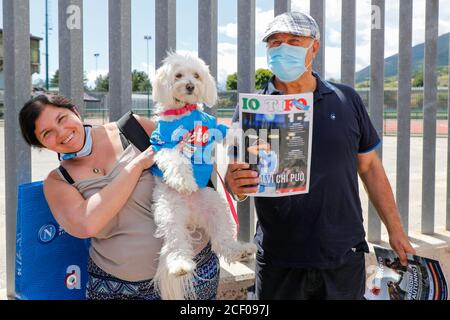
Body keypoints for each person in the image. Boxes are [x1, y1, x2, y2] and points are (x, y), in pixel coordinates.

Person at [225, 11, 416, 300]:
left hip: (342, 255)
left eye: (293, 40)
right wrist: (234, 185)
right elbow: (239, 182)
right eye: (275, 42)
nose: (282, 48)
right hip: (280, 260)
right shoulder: (254, 109)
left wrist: (396, 230)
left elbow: (370, 167)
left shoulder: (347, 99)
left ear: (314, 47)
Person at [19, 94, 220, 300]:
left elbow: (197, 170)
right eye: (47, 133)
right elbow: (87, 224)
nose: (61, 132)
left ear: (75, 111)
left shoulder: (134, 128)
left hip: (192, 272)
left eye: (61, 118)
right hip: (118, 289)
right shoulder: (58, 181)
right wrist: (137, 165)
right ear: (42, 145)